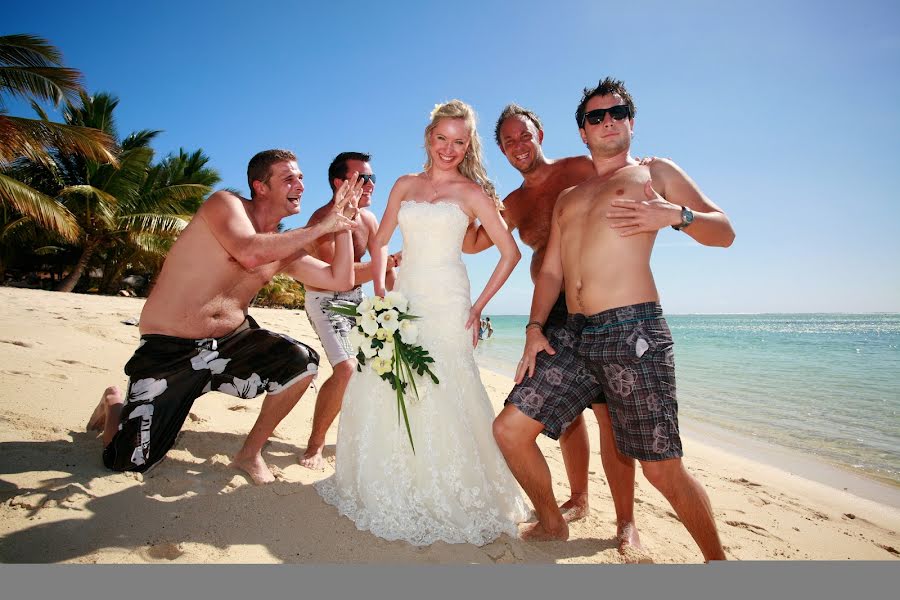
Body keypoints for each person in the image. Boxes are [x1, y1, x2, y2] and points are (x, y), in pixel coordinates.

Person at [514, 77, 734, 561]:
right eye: (596, 117)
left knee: (662, 470)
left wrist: (677, 216)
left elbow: (725, 233)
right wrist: (533, 329)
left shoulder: (654, 173)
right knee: (510, 430)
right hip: (571, 334)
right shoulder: (570, 197)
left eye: (616, 113)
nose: (607, 121)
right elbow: (550, 271)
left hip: (633, 331)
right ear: (583, 132)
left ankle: (718, 565)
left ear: (631, 122)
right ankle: (553, 524)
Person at [315, 100, 529, 546]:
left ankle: (450, 488)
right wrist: (380, 294)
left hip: (450, 300)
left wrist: (478, 307)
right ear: (428, 137)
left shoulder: (473, 193)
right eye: (441, 139)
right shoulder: (405, 184)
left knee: (446, 387)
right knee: (390, 385)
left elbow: (510, 254)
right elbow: (378, 242)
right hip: (405, 295)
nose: (449, 148)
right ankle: (391, 483)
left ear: (468, 145)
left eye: (459, 141)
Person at [87, 149, 361, 485]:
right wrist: (322, 227)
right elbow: (248, 252)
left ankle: (249, 453)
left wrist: (344, 225)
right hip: (169, 348)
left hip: (231, 343)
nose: (300, 185)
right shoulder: (224, 205)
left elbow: (340, 280)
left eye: (302, 178)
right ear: (260, 186)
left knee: (301, 362)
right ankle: (114, 402)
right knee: (127, 463)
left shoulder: (283, 245)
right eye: (289, 178)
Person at [462, 104, 597, 530]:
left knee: (608, 415)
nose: (518, 146)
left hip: (601, 298)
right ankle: (576, 499)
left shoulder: (583, 166)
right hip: (550, 309)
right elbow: (474, 243)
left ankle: (612, 513)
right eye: (508, 142)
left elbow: (627, 175)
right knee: (568, 412)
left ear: (540, 133)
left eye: (525, 136)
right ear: (501, 151)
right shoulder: (516, 202)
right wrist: (465, 201)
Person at [299, 152, 401, 470]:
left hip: (356, 300)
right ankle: (314, 446)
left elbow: (382, 268)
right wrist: (387, 263)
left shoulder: (368, 220)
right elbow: (340, 274)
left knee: (378, 369)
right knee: (345, 369)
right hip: (325, 299)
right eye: (364, 178)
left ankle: (359, 438)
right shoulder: (321, 221)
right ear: (340, 182)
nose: (371, 184)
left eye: (373, 178)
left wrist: (391, 300)